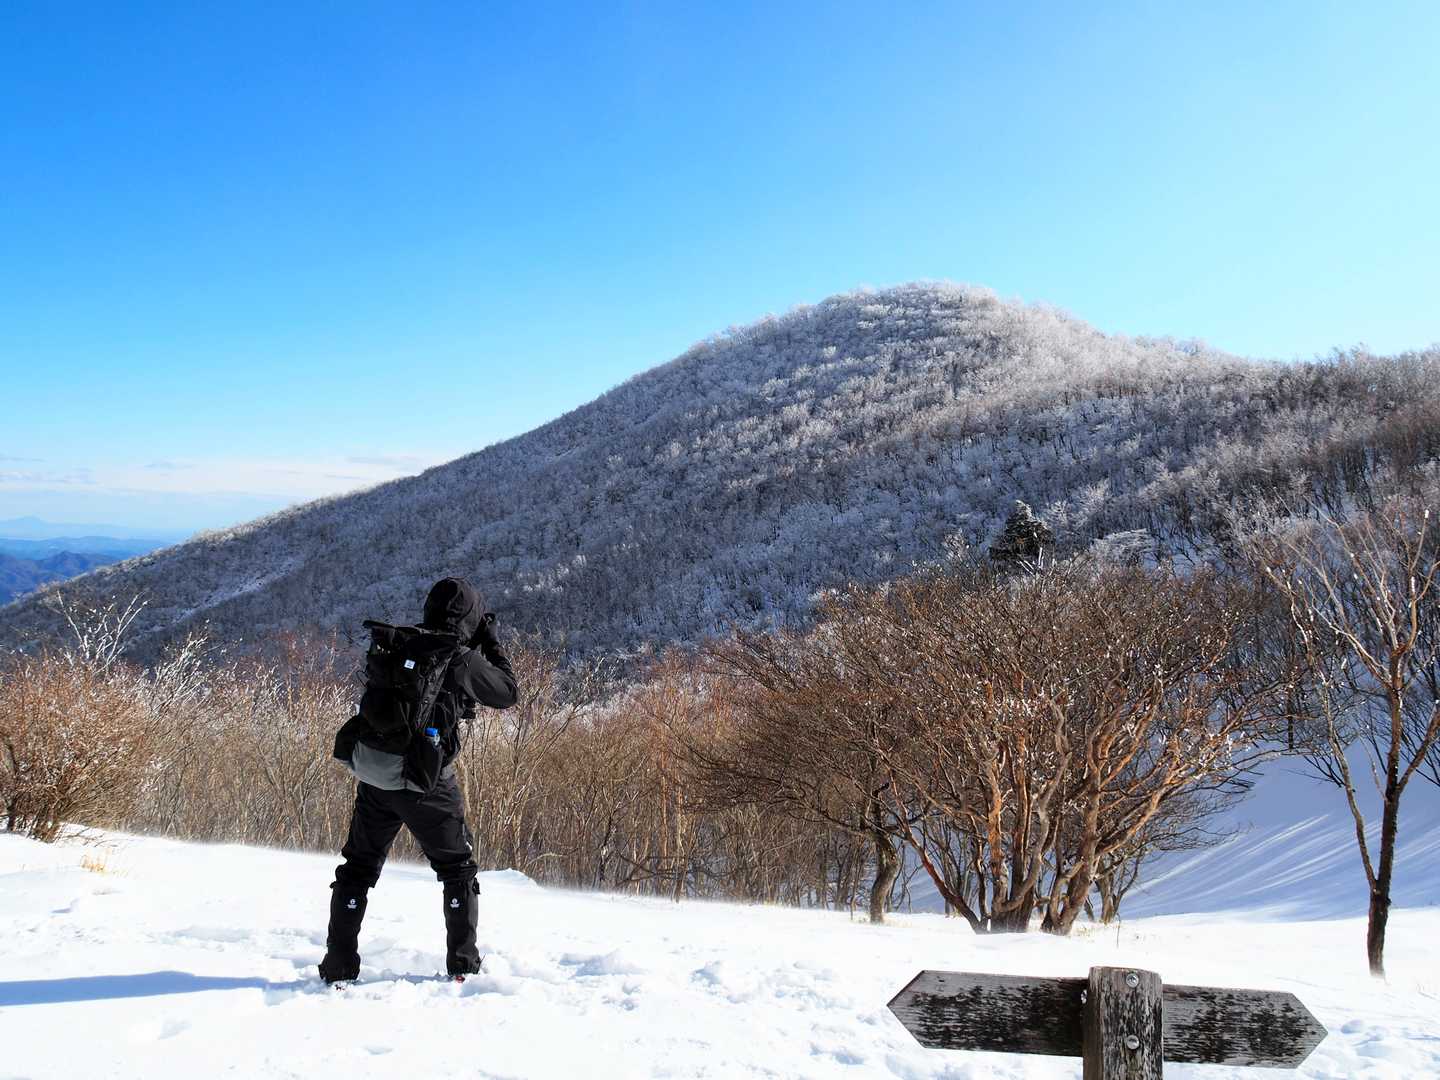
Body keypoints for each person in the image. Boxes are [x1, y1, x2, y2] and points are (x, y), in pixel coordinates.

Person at [319, 577, 518, 983]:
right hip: (427, 782)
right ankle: (463, 966)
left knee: (357, 868)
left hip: (376, 773)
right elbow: (507, 693)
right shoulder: (459, 657)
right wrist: (492, 642)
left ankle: (338, 966)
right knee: (458, 869)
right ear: (470, 617)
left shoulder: (402, 642)